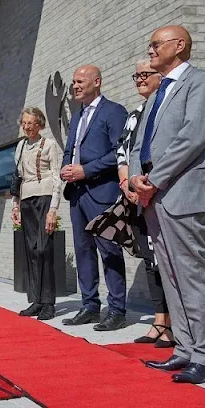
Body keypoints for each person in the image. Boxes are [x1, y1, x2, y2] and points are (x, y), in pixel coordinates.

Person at [130, 25, 205, 384]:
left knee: (191, 276)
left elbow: (193, 136)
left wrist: (153, 179)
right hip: (153, 198)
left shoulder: (198, 82)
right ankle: (184, 349)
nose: (150, 50)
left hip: (181, 195)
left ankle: (202, 353)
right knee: (171, 278)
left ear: (180, 45)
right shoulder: (158, 92)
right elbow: (138, 144)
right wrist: (133, 178)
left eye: (155, 44)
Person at [60, 65, 129, 331]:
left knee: (109, 250)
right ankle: (89, 306)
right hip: (77, 193)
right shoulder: (77, 116)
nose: (75, 86)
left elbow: (119, 152)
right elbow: (70, 149)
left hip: (101, 192)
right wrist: (68, 167)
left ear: (96, 82)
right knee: (83, 251)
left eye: (80, 81)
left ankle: (117, 310)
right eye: (73, 82)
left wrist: (85, 170)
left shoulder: (114, 111)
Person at [117, 61, 174, 347]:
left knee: (169, 262)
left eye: (144, 74)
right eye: (135, 75)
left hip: (159, 193)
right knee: (151, 261)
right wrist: (127, 183)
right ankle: (159, 320)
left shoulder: (165, 107)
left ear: (161, 77)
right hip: (136, 196)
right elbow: (123, 152)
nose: (139, 79)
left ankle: (176, 326)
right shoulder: (134, 115)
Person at [11, 107, 63, 321]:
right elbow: (17, 177)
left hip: (44, 198)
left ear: (39, 124)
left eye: (30, 123)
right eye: (24, 122)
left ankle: (49, 302)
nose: (26, 126)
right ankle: (36, 300)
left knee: (44, 249)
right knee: (31, 252)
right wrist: (15, 206)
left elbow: (57, 178)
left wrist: (53, 209)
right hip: (26, 200)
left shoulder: (49, 145)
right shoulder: (21, 146)